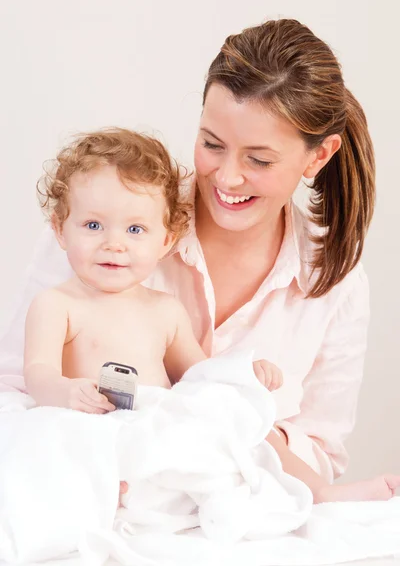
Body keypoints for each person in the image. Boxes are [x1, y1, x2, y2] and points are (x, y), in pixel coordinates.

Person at [0, 18, 382, 484]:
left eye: (258, 160)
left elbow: (319, 452)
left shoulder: (336, 283)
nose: (226, 177)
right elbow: (14, 388)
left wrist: (238, 401)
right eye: (211, 144)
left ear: (317, 157)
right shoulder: (100, 227)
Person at [24, 127, 400, 504]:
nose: (113, 243)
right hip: (92, 429)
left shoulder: (163, 310)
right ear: (60, 230)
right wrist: (67, 392)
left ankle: (321, 493)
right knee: (54, 456)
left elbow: (202, 376)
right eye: (93, 226)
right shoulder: (57, 304)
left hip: (158, 433)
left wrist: (241, 375)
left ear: (166, 240)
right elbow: (36, 375)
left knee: (236, 412)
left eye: (135, 229)